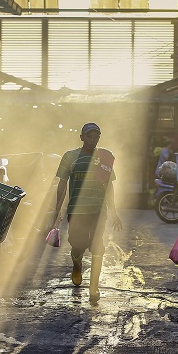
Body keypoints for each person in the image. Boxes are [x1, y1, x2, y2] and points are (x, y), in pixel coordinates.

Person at [51, 122, 123, 302]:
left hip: (99, 210)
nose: (92, 140)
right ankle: (77, 264)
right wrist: (57, 210)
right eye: (89, 136)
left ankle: (94, 288)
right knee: (77, 245)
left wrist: (114, 211)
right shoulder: (70, 157)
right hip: (76, 211)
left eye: (96, 137)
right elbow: (62, 185)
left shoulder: (104, 158)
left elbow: (109, 186)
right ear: (81, 137)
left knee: (98, 245)